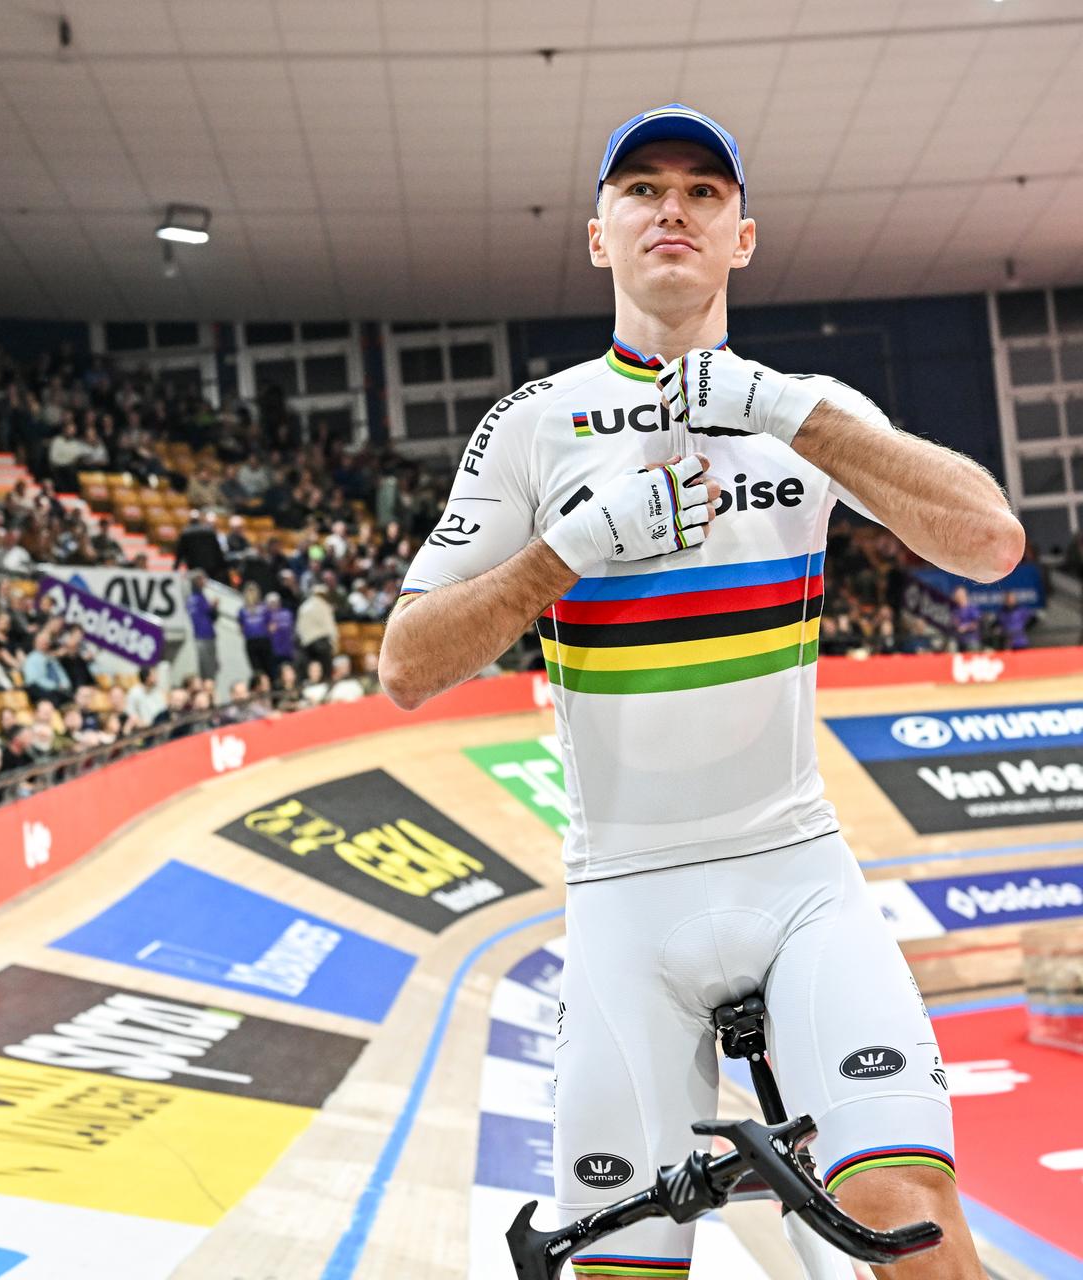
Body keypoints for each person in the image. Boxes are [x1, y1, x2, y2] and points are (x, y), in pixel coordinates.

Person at [380, 104, 1018, 1279]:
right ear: (596, 236)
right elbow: (406, 665)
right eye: (641, 188)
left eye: (702, 191)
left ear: (744, 237)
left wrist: (790, 413)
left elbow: (989, 540)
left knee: (917, 1236)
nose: (671, 206)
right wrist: (566, 552)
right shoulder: (533, 425)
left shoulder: (804, 407)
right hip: (624, 905)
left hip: (800, 879)